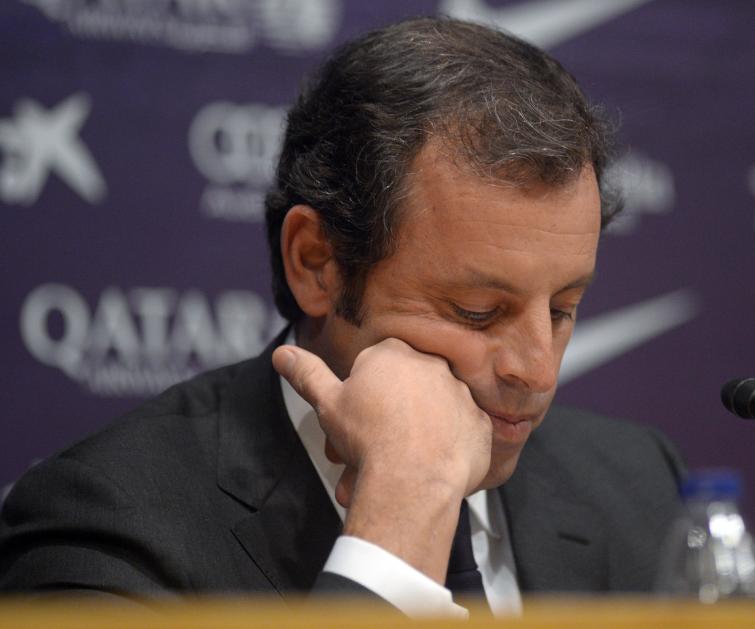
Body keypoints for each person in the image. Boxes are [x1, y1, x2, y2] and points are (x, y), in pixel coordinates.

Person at [0, 17, 683, 617]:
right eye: (477, 311)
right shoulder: (105, 523)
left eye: (564, 308)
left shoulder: (636, 481)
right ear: (317, 262)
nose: (536, 369)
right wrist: (404, 516)